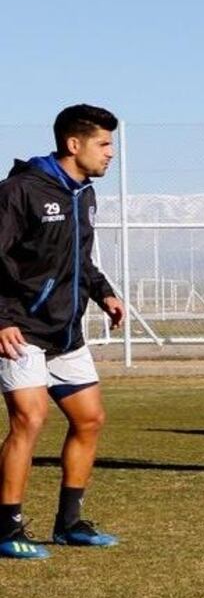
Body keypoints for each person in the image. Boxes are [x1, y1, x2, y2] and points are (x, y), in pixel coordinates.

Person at [0, 104, 126, 560]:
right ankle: (7, 526)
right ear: (74, 145)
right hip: (21, 328)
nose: (111, 154)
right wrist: (2, 318)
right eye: (104, 144)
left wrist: (105, 294)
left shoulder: (83, 194)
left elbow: (81, 261)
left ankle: (69, 524)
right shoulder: (19, 191)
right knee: (30, 419)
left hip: (65, 332)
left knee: (89, 418)